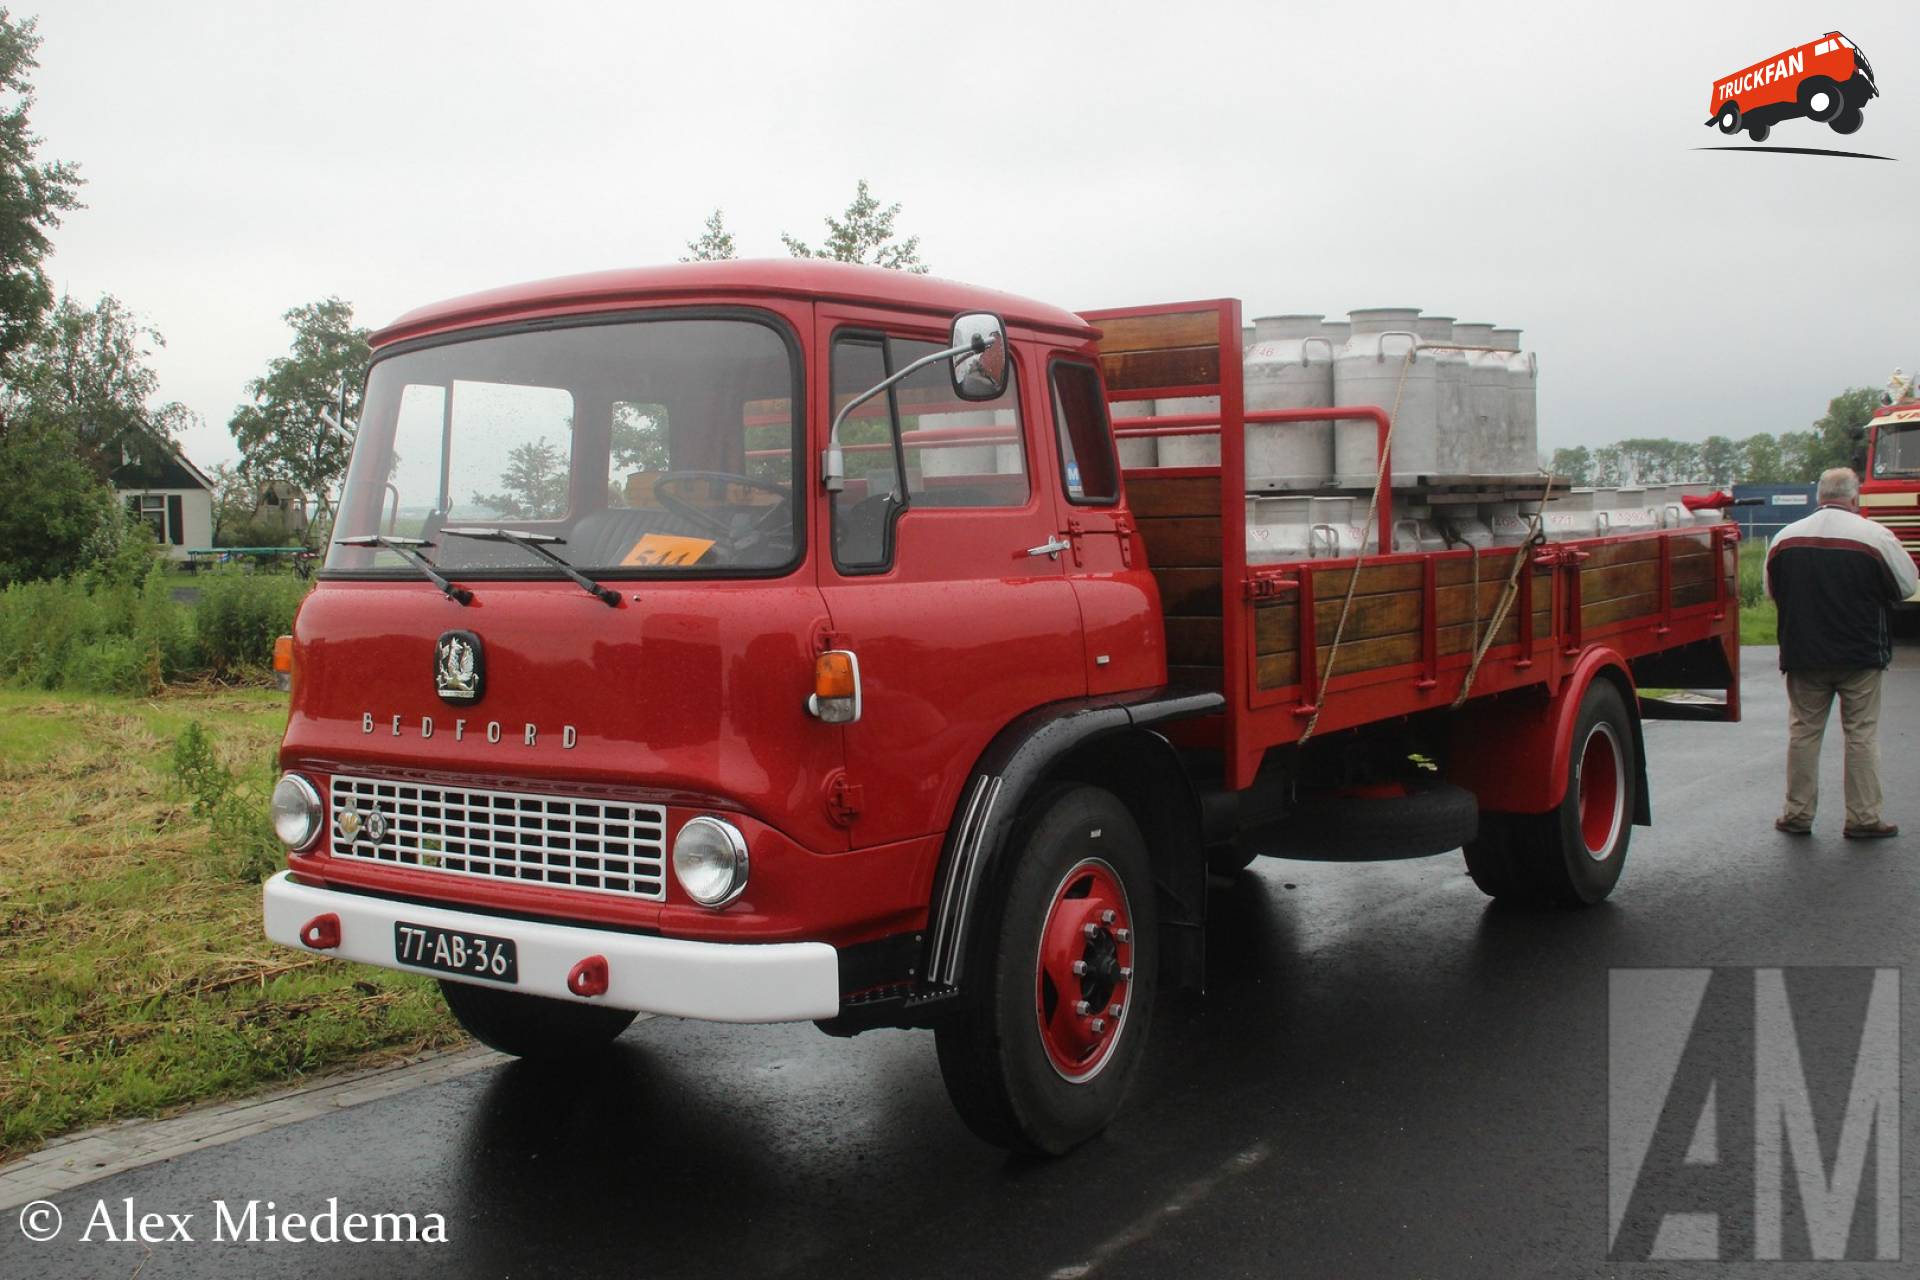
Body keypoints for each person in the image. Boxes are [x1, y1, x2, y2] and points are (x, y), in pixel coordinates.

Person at [1766, 467, 1918, 838]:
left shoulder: (1784, 539)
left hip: (1803, 653)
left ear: (1819, 496)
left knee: (1803, 732)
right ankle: (1863, 818)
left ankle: (1797, 813)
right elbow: (1906, 585)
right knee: (1861, 734)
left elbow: (1773, 592)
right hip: (1861, 653)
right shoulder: (1875, 537)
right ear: (1855, 498)